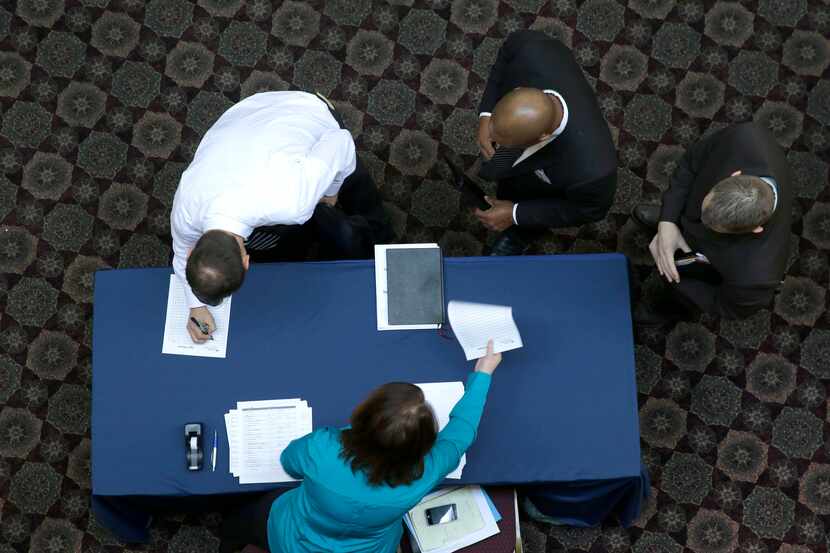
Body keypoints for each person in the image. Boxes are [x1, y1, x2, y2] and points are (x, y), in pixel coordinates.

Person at [219, 341, 504, 553]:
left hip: (294, 539)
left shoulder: (323, 448)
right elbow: (461, 433)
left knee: (243, 518)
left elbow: (288, 461)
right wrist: (483, 374)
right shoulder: (426, 472)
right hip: (371, 547)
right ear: (421, 445)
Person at [171, 91, 390, 343]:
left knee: (353, 205)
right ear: (245, 261)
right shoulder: (186, 205)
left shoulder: (292, 202)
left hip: (307, 115)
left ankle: (378, 231)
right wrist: (195, 307)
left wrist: (331, 191)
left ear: (246, 261)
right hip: (243, 125)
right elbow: (179, 252)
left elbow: (341, 142)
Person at [459, 30, 617, 255]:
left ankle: (520, 233)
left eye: (503, 142)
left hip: (550, 185)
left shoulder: (593, 172)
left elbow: (589, 210)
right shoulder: (531, 49)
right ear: (519, 91)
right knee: (508, 175)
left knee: (532, 198)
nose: (491, 142)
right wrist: (486, 117)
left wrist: (515, 214)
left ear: (542, 137)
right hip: (526, 153)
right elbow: (506, 53)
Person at [632, 122, 792, 323]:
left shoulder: (757, 276)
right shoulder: (744, 137)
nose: (699, 225)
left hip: (707, 269)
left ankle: (673, 310)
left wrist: (673, 277)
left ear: (756, 229)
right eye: (704, 209)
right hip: (682, 226)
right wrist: (668, 221)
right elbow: (691, 164)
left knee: (683, 302)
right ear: (735, 174)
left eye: (716, 228)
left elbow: (725, 307)